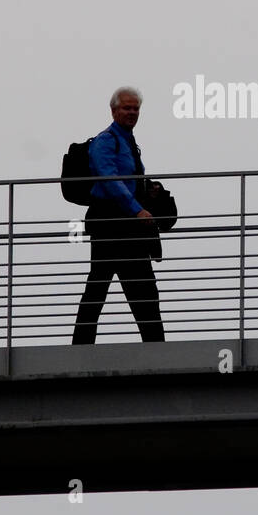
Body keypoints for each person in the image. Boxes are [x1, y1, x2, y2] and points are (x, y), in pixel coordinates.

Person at [72, 86, 165, 344]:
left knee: (141, 287)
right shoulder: (106, 141)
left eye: (136, 108)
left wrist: (151, 193)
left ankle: (156, 347)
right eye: (127, 108)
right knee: (100, 286)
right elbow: (109, 179)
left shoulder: (128, 142)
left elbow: (128, 181)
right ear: (113, 111)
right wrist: (137, 209)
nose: (132, 112)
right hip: (110, 223)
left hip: (127, 224)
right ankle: (81, 348)